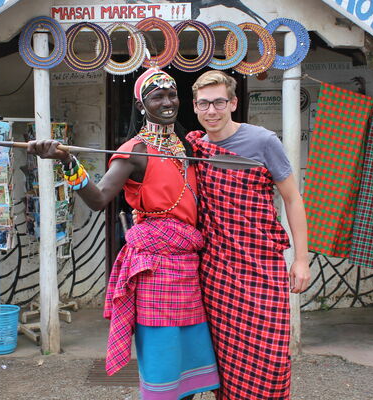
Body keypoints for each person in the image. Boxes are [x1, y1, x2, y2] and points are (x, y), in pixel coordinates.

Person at [26, 68, 219, 400]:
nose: (168, 101)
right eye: (157, 96)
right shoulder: (135, 150)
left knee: (188, 367)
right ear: (142, 105)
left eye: (172, 94)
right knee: (162, 362)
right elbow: (99, 199)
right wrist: (66, 161)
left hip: (189, 267)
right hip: (156, 270)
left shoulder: (187, 145)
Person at [186, 70, 310, 399]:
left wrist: (300, 260)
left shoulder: (263, 141)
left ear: (233, 103)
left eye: (218, 102)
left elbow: (293, 199)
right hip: (217, 271)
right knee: (225, 357)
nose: (211, 110)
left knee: (269, 354)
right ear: (195, 106)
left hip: (261, 267)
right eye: (203, 104)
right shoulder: (196, 148)